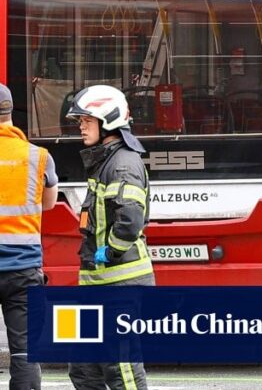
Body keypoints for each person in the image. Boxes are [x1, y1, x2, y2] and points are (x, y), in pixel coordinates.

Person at [64, 85, 152, 390]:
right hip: (96, 283)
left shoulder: (123, 164)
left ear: (109, 121)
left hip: (120, 284)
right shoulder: (104, 161)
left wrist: (110, 251)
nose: (81, 128)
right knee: (84, 369)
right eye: (80, 122)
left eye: (86, 122)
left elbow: (129, 220)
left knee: (121, 366)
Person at [0, 83, 58, 390]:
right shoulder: (39, 157)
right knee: (24, 352)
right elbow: (47, 203)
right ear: (11, 112)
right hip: (23, 270)